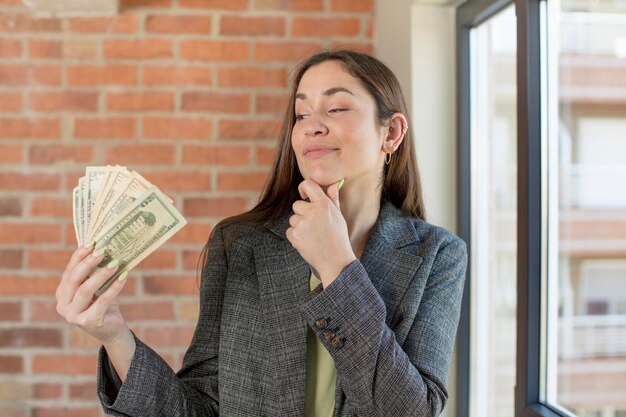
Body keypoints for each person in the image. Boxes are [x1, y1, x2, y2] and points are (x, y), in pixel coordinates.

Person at [56, 49, 467, 417]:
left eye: (337, 109)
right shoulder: (239, 245)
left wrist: (336, 266)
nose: (312, 127)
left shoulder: (438, 254)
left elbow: (410, 410)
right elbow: (200, 408)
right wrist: (114, 334)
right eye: (302, 114)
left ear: (391, 133)